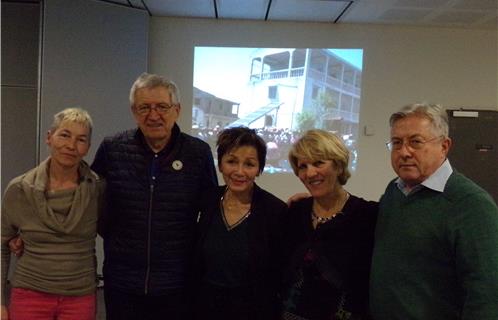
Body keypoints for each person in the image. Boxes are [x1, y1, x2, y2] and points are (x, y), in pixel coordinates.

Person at [90, 73, 217, 320]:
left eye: (162, 106)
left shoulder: (198, 153)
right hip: (122, 281)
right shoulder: (112, 148)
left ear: (177, 110)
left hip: (177, 283)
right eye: (144, 107)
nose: (153, 115)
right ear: (133, 111)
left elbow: (212, 210)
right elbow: (89, 199)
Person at [370, 103, 498, 319]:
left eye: (416, 142)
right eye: (396, 143)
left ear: (444, 146)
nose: (404, 152)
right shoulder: (395, 190)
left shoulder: (471, 204)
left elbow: (487, 294)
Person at [1, 108, 104, 320]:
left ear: (87, 148)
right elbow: (1, 243)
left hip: (80, 296)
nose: (71, 146)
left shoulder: (97, 189)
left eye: (80, 139)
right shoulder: (19, 189)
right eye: (64, 135)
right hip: (30, 294)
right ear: (49, 137)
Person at [282, 129, 378, 320]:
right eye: (303, 166)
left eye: (318, 163)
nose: (310, 173)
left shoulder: (367, 215)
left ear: (338, 165)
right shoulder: (295, 211)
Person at [193, 126, 287, 320]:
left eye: (249, 164)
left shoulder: (274, 210)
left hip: (253, 310)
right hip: (205, 306)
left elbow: (279, 272)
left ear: (259, 169)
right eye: (231, 161)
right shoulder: (206, 200)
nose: (239, 171)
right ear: (220, 164)